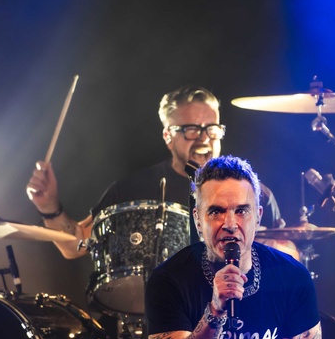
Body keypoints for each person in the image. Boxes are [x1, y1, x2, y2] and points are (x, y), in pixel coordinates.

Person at [145, 155, 321, 339]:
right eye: (216, 211)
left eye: (241, 211)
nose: (229, 223)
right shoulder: (169, 280)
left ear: (258, 216)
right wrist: (215, 311)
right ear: (198, 219)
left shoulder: (291, 277)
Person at [25, 84, 290, 260]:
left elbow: (286, 253)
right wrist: (49, 207)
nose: (204, 139)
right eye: (191, 129)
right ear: (168, 135)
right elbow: (75, 245)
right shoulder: (131, 191)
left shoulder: (253, 194)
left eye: (212, 129)